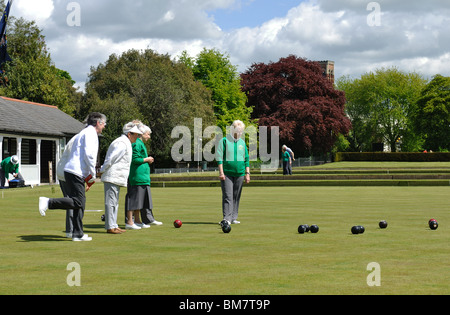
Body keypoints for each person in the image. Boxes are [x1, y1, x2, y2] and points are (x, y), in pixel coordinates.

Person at [38, 113, 106, 242]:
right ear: (98, 123)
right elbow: (89, 155)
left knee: (79, 204)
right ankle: (48, 202)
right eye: (103, 124)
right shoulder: (91, 134)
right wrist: (92, 175)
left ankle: (77, 233)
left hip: (73, 171)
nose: (104, 127)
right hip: (75, 171)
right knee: (78, 202)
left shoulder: (83, 133)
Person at [100, 122, 142, 234]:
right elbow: (111, 158)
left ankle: (114, 225)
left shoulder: (125, 142)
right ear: (129, 134)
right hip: (112, 176)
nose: (137, 137)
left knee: (114, 202)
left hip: (117, 177)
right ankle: (110, 226)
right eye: (136, 135)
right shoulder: (121, 143)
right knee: (111, 202)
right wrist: (102, 170)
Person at [126, 123, 162, 229]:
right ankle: (130, 221)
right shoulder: (136, 143)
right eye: (148, 134)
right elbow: (134, 159)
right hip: (137, 176)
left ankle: (137, 221)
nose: (149, 137)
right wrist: (147, 159)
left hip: (143, 177)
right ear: (142, 134)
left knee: (139, 201)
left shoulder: (140, 143)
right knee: (134, 200)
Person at [216, 120, 250, 225]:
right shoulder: (224, 141)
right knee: (228, 196)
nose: (239, 133)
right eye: (238, 131)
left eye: (241, 131)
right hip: (227, 173)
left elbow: (246, 159)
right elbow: (219, 157)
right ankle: (226, 218)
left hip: (240, 173)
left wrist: (247, 173)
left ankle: (234, 217)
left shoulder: (242, 143)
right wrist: (221, 172)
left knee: (236, 196)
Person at [56, 137, 76, 238]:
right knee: (72, 201)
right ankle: (72, 231)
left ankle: (71, 230)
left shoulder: (77, 138)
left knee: (71, 200)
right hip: (67, 172)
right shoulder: (81, 139)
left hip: (64, 171)